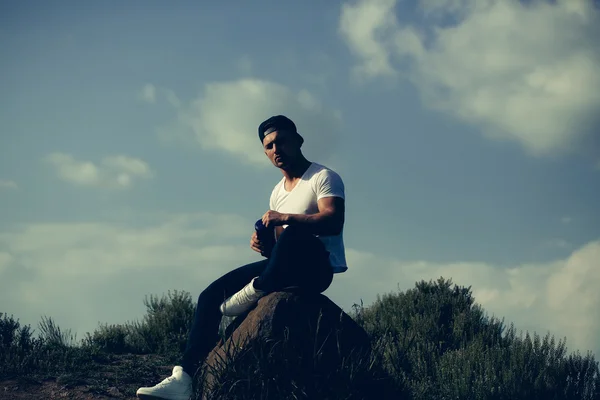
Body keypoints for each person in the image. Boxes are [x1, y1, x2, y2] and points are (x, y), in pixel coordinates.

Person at [136, 115, 348, 400]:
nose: (277, 150)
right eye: (269, 146)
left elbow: (332, 222)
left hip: (316, 268)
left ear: (297, 141)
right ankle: (184, 378)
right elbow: (277, 250)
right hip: (283, 269)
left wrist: (285, 219)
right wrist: (262, 244)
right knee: (211, 295)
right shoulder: (277, 193)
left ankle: (258, 287)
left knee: (295, 234)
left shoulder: (323, 177)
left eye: (282, 141)